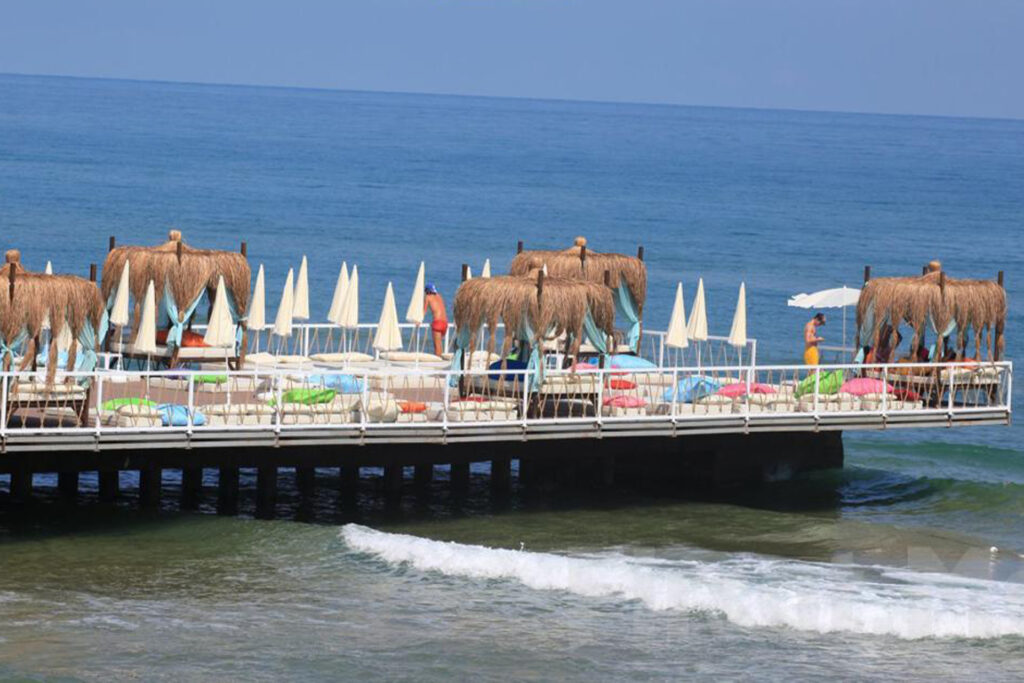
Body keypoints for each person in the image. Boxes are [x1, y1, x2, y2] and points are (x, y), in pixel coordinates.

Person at [423, 283, 448, 357]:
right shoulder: (439, 296)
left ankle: (438, 363)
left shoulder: (427, 297)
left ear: (427, 291)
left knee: (437, 347)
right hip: (445, 323)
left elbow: (424, 311)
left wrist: (419, 320)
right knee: (440, 345)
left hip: (437, 323)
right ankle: (440, 359)